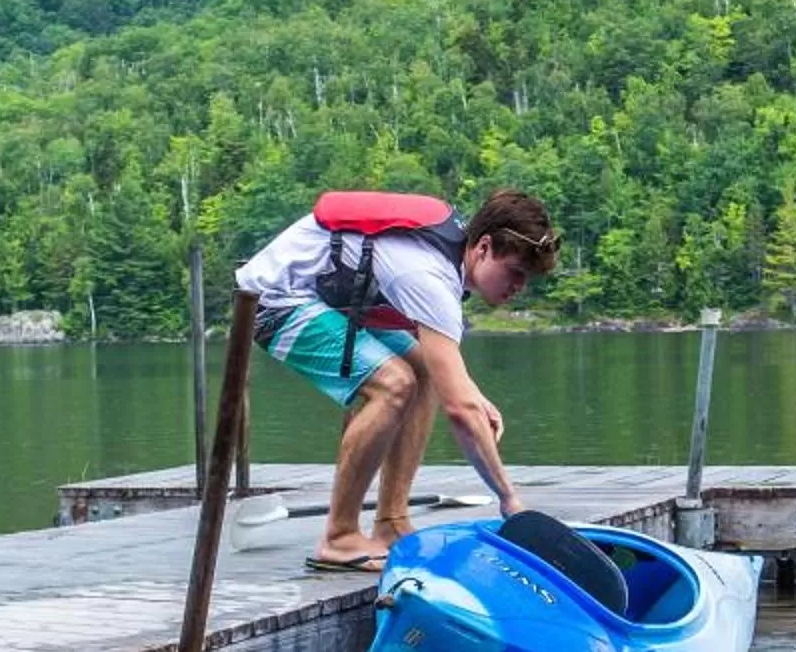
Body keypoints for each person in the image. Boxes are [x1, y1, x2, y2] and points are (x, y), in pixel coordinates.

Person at [233, 188, 558, 572]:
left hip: (328, 302)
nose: (519, 286)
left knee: (421, 370)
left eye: (527, 278)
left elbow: (449, 375)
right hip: (271, 300)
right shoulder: (427, 275)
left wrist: (475, 396)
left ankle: (391, 522)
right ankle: (339, 537)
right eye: (515, 272)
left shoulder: (444, 261)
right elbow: (459, 411)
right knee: (394, 384)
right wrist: (510, 500)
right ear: (483, 247)